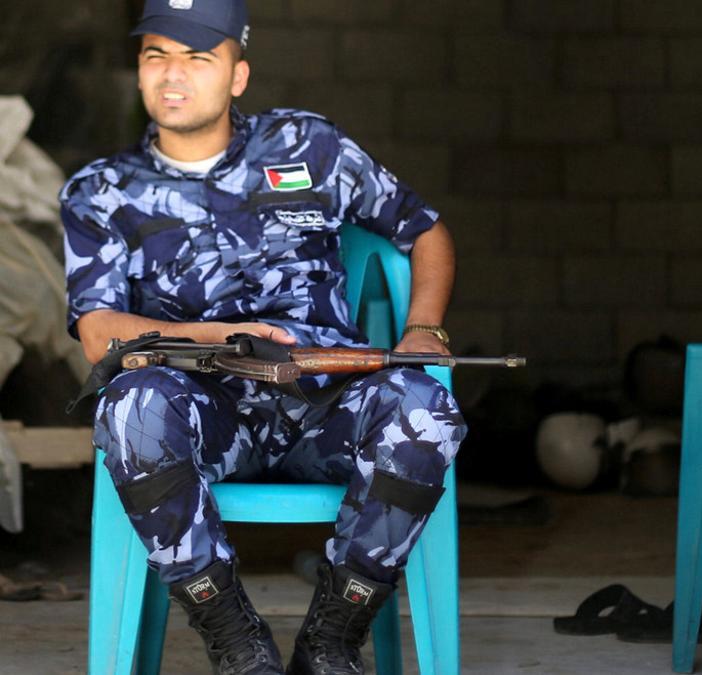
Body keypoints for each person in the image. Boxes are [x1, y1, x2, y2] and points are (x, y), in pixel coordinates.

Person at [59, 1, 465, 673]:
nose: (173, 76)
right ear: (138, 72)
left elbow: (424, 229)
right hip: (203, 412)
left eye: (198, 57)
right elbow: (100, 330)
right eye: (156, 56)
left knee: (425, 411)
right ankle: (234, 636)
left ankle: (333, 638)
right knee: (129, 407)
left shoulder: (310, 146)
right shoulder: (100, 192)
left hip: (326, 404)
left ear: (238, 75)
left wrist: (422, 325)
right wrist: (217, 334)